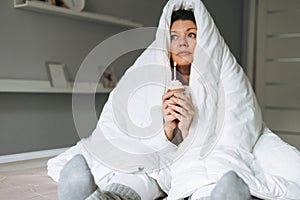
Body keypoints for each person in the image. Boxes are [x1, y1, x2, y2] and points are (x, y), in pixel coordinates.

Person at [49, 1, 300, 200]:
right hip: (159, 157)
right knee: (139, 167)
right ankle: (105, 198)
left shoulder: (228, 74)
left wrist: (192, 130)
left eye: (191, 35)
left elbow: (239, 127)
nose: (182, 43)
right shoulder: (148, 72)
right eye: (174, 36)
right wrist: (166, 131)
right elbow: (122, 125)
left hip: (204, 155)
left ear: (204, 39)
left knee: (211, 171)